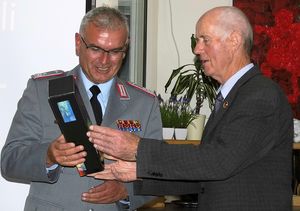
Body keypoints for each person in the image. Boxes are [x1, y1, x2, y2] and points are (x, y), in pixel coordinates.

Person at [87, 6, 294, 211]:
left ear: (234, 40)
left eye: (205, 39)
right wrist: (136, 173)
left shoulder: (260, 95)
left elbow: (217, 161)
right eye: (197, 41)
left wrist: (138, 149)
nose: (197, 49)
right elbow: (204, 176)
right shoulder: (234, 95)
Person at [1, 6, 162, 211]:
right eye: (95, 49)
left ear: (125, 49)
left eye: (114, 51)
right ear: (78, 43)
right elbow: (9, 161)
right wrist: (49, 156)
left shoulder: (144, 103)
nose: (104, 61)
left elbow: (159, 173)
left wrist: (126, 192)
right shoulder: (43, 90)